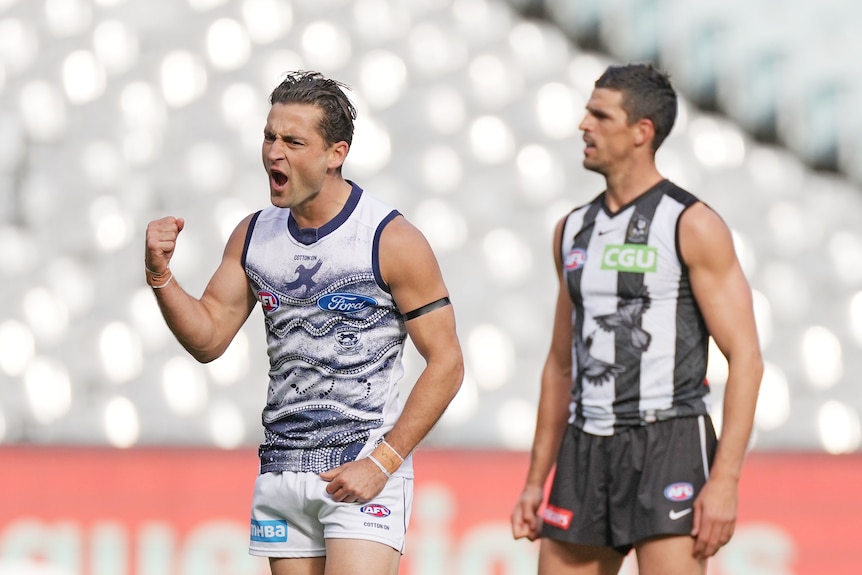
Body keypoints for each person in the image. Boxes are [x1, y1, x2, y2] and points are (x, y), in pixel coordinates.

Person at [145, 70, 464, 575]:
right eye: (270, 136)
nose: (274, 152)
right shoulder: (253, 235)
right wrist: (160, 276)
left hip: (360, 464)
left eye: (293, 141)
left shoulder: (390, 239)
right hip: (282, 467)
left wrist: (382, 462)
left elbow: (447, 362)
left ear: (336, 153)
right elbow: (208, 338)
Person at [510, 63, 763, 574]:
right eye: (587, 112)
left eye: (600, 116)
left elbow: (746, 358)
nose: (584, 125)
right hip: (586, 443)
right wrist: (536, 479)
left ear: (641, 132)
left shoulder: (692, 224)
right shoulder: (572, 230)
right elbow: (561, 365)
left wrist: (726, 481)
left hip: (667, 439)